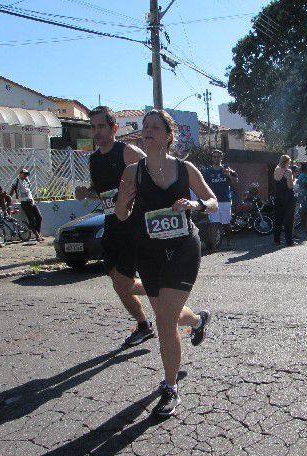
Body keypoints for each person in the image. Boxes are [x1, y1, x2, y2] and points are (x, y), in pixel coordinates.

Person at [115, 109, 217, 417]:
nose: (148, 131)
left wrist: (195, 204)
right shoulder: (133, 172)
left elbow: (212, 202)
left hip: (184, 249)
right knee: (166, 316)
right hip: (148, 253)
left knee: (163, 321)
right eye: (145, 127)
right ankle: (198, 321)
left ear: (168, 136)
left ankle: (170, 386)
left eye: (155, 127)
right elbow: (121, 215)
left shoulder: (185, 169)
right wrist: (124, 200)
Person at [73, 106, 155, 346]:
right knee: (117, 281)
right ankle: (144, 323)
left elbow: (154, 178)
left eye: (101, 126)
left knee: (124, 282)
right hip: (111, 224)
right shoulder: (94, 159)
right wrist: (86, 193)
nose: (97, 132)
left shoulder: (128, 152)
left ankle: (161, 292)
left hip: (134, 224)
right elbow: (102, 193)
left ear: (114, 128)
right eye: (93, 127)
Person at [201, 149, 238, 248]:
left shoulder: (227, 169)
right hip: (212, 201)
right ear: (212, 158)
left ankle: (229, 241)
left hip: (225, 200)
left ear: (221, 158)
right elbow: (202, 185)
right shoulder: (207, 171)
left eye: (218, 156)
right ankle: (213, 245)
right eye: (214, 157)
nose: (216, 158)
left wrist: (228, 175)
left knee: (226, 223)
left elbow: (235, 182)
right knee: (214, 223)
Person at [9, 168, 44, 242]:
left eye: (26, 174)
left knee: (39, 217)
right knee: (31, 219)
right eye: (24, 174)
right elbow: (12, 191)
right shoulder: (17, 181)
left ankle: (39, 233)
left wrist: (32, 200)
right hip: (24, 202)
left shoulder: (27, 181)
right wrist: (8, 199)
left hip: (31, 201)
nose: (25, 176)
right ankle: (37, 235)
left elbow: (29, 191)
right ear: (20, 174)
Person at [272, 155, 296, 245]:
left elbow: (276, 181)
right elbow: (290, 186)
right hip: (288, 197)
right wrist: (293, 181)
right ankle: (289, 241)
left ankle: (276, 240)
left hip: (278, 196)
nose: (289, 164)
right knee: (289, 220)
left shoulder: (276, 169)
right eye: (289, 162)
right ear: (286, 162)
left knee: (278, 219)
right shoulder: (288, 171)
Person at [296, 164, 307, 230]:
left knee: (302, 210)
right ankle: (304, 225)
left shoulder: (300, 175)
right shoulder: (304, 175)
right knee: (305, 210)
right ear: (306, 168)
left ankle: (302, 224)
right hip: (304, 194)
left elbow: (298, 183)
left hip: (301, 194)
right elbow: (305, 184)